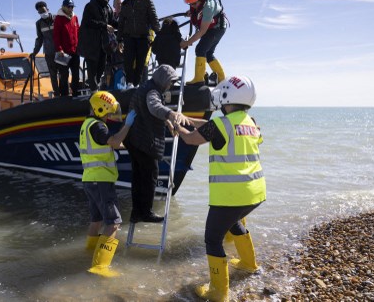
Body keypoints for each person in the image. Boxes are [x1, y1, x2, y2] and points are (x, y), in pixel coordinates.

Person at [174, 75, 266, 301]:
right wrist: (188, 120)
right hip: (255, 193)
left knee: (212, 239)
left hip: (230, 196)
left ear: (227, 97)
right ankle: (248, 263)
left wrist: (177, 126)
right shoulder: (250, 122)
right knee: (233, 222)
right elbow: (212, 128)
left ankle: (218, 292)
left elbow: (192, 140)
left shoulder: (220, 124)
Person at [80, 91, 136, 278]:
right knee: (113, 223)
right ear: (100, 108)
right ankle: (100, 266)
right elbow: (113, 141)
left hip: (90, 179)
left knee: (96, 221)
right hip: (101, 180)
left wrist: (129, 144)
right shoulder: (98, 126)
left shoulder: (87, 125)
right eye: (108, 112)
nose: (110, 115)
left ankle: (89, 253)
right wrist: (127, 125)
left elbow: (108, 144)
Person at [125, 64, 191, 223]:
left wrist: (167, 122)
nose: (170, 86)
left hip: (133, 139)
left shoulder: (144, 87)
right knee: (150, 177)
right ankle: (146, 212)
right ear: (163, 80)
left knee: (137, 177)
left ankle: (136, 213)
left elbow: (148, 110)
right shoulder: (153, 92)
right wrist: (171, 113)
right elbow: (154, 106)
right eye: (170, 82)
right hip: (145, 141)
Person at [180, 0, 228, 85]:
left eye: (194, 3)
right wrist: (192, 12)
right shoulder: (197, 2)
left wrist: (187, 42)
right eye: (190, 4)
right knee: (208, 53)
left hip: (217, 28)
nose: (192, 6)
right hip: (211, 28)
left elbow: (202, 31)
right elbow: (197, 11)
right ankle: (222, 79)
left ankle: (199, 79)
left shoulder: (209, 6)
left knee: (200, 49)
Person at [117, 0, 160, 87]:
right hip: (129, 37)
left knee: (141, 64)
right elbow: (121, 22)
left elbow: (153, 17)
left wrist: (159, 34)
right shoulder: (125, 4)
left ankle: (136, 86)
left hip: (143, 36)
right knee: (128, 62)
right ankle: (130, 84)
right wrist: (119, 39)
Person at [78, 0, 118, 92]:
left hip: (103, 44)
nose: (106, 2)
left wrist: (122, 25)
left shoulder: (108, 8)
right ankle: (93, 89)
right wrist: (105, 26)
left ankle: (95, 84)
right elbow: (88, 22)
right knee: (92, 68)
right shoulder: (90, 6)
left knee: (101, 67)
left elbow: (112, 21)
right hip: (90, 44)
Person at [31, 1, 60, 96]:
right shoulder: (38, 24)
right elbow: (39, 39)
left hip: (60, 51)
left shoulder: (57, 19)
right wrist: (35, 52)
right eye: (40, 12)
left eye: (43, 11)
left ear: (47, 9)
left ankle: (65, 93)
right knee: (53, 75)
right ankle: (57, 94)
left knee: (64, 73)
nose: (42, 13)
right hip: (49, 53)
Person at [53, 0, 80, 96]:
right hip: (63, 52)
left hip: (75, 50)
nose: (71, 8)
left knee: (76, 74)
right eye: (69, 6)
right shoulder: (58, 19)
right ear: (63, 7)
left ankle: (75, 93)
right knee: (64, 75)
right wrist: (59, 48)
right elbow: (56, 35)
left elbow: (78, 31)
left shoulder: (75, 17)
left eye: (72, 6)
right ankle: (64, 95)